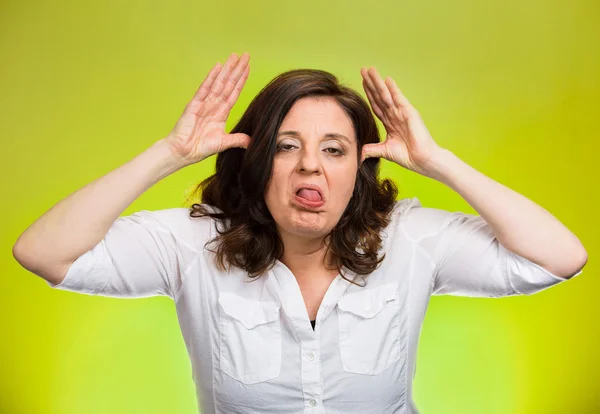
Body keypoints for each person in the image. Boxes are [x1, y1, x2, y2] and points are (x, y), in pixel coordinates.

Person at [12, 51, 587, 414]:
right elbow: (42, 252)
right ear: (259, 162)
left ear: (356, 170)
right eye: (287, 146)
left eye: (333, 149)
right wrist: (168, 154)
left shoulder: (407, 239)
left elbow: (560, 257)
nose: (311, 165)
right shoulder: (196, 244)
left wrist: (439, 162)